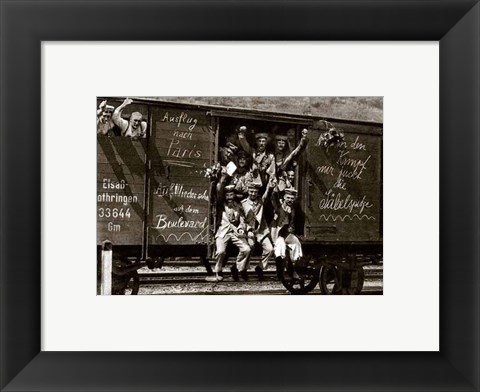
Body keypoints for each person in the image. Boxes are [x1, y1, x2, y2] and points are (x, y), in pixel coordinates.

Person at [213, 183, 251, 282]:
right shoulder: (220, 205)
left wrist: (241, 228)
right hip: (222, 231)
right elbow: (218, 191)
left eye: (231, 195)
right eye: (227, 195)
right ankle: (218, 270)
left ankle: (238, 267)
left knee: (246, 249)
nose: (229, 197)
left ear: (234, 195)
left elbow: (242, 219)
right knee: (220, 251)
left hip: (235, 231)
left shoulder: (238, 205)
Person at [242, 180, 275, 280]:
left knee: (270, 249)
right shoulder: (243, 204)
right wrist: (248, 230)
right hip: (249, 231)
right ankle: (243, 269)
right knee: (250, 247)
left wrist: (269, 187)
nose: (253, 194)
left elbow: (266, 195)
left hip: (261, 230)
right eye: (251, 191)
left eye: (255, 192)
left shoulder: (261, 201)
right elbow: (242, 220)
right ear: (248, 191)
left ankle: (260, 268)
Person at [271, 187, 303, 281]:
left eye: (292, 198)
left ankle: (293, 269)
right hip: (278, 232)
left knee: (296, 244)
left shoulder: (293, 208)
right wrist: (274, 239)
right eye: (288, 198)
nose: (290, 200)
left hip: (287, 233)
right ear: (284, 197)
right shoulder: (279, 207)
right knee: (280, 248)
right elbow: (274, 223)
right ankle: (280, 273)